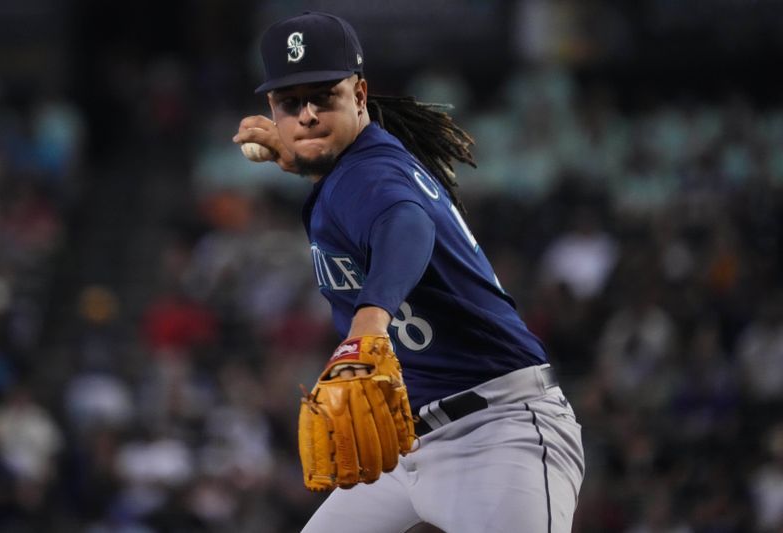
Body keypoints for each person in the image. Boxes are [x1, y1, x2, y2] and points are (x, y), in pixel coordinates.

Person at [232, 11, 584, 533]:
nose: (306, 114)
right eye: (290, 103)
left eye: (323, 97)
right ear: (272, 108)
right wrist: (301, 157)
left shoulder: (369, 175)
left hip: (499, 435)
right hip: (401, 452)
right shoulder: (352, 167)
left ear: (359, 93)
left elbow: (406, 223)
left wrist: (369, 321)